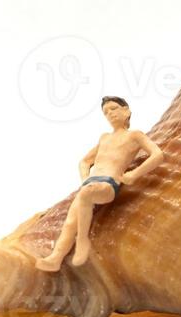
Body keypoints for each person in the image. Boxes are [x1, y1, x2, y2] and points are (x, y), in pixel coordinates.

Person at [36, 96, 165, 271]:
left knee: (86, 195)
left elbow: (157, 155)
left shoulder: (135, 135)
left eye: (113, 109)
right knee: (69, 222)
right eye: (106, 112)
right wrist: (84, 180)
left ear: (126, 110)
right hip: (90, 184)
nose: (110, 114)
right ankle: (55, 258)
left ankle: (82, 241)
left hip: (108, 184)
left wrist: (134, 174)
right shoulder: (104, 138)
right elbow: (84, 162)